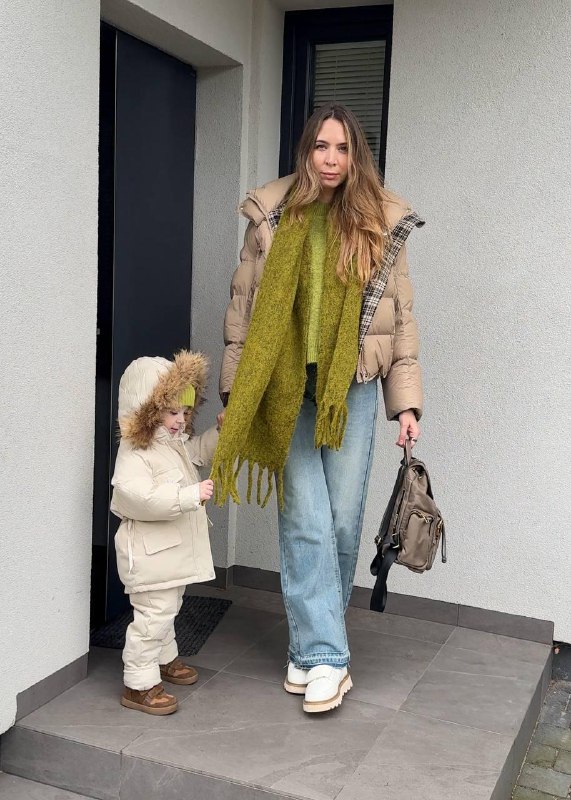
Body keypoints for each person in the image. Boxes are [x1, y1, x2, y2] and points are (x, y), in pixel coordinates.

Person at [211, 104, 423, 713]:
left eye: (342, 148)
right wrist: (235, 394)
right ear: (306, 151)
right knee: (305, 519)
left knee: (342, 523)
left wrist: (405, 405)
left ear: (356, 156)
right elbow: (244, 308)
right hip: (284, 387)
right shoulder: (272, 214)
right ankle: (325, 654)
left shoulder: (379, 222)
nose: (330, 159)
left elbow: (400, 319)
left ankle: (314, 648)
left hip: (350, 387)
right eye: (320, 147)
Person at [111, 350, 222, 715]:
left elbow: (197, 452)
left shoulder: (172, 446)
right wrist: (188, 496)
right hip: (149, 555)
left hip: (168, 556)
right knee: (152, 616)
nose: (180, 421)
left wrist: (219, 433)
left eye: (184, 412)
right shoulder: (135, 451)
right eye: (171, 412)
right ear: (147, 409)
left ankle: (164, 658)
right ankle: (138, 684)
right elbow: (136, 496)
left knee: (168, 608)